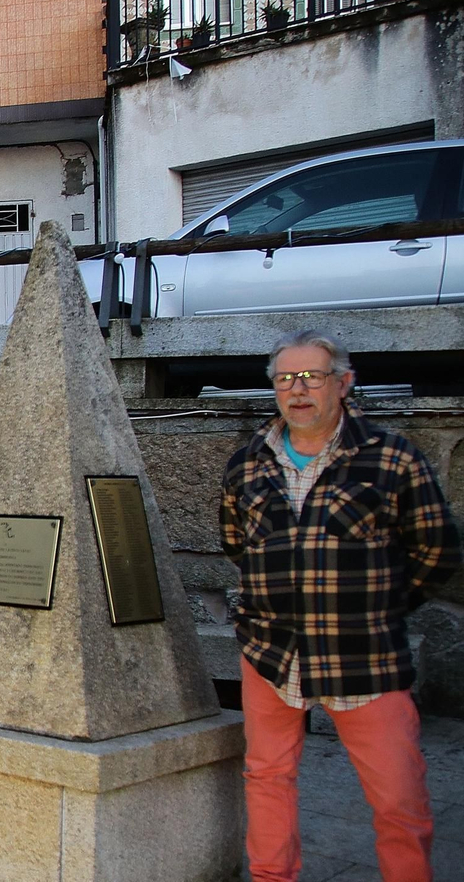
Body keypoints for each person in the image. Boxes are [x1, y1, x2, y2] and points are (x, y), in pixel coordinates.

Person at [221, 331, 461, 882]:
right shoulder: (247, 464)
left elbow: (436, 547)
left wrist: (380, 606)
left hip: (365, 655)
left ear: (344, 383)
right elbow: (237, 543)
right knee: (267, 778)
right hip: (271, 651)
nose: (297, 390)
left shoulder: (390, 457)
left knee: (399, 796)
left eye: (312, 377)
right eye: (285, 379)